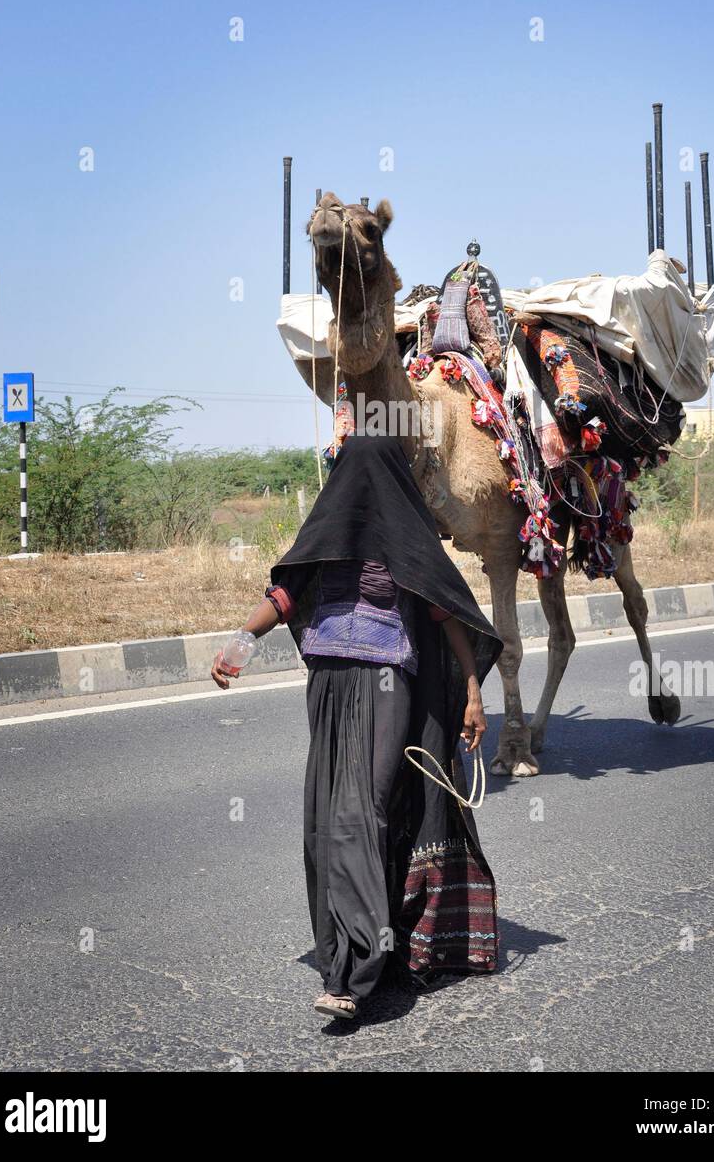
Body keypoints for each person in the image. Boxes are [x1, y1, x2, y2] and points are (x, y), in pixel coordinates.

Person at [212, 433, 503, 1020]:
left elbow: (447, 612)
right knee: (329, 811)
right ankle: (353, 949)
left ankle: (353, 970)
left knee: (362, 807)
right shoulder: (329, 529)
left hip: (387, 681)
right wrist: (241, 642)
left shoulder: (407, 534)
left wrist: (472, 691)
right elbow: (285, 595)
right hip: (328, 681)